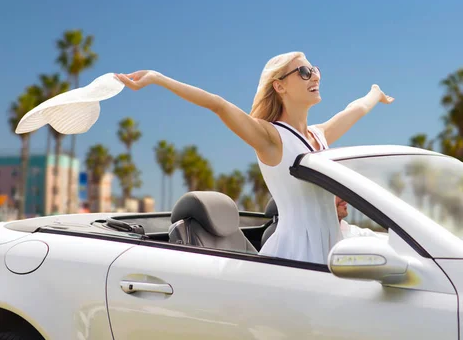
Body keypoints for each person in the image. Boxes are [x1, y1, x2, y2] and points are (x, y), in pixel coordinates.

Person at [116, 52, 393, 264]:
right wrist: (157, 78)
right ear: (280, 86)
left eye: (316, 70)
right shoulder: (270, 138)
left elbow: (355, 109)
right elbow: (218, 105)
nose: (315, 76)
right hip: (294, 260)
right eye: (305, 72)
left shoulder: (319, 136)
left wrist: (374, 94)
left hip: (331, 251)